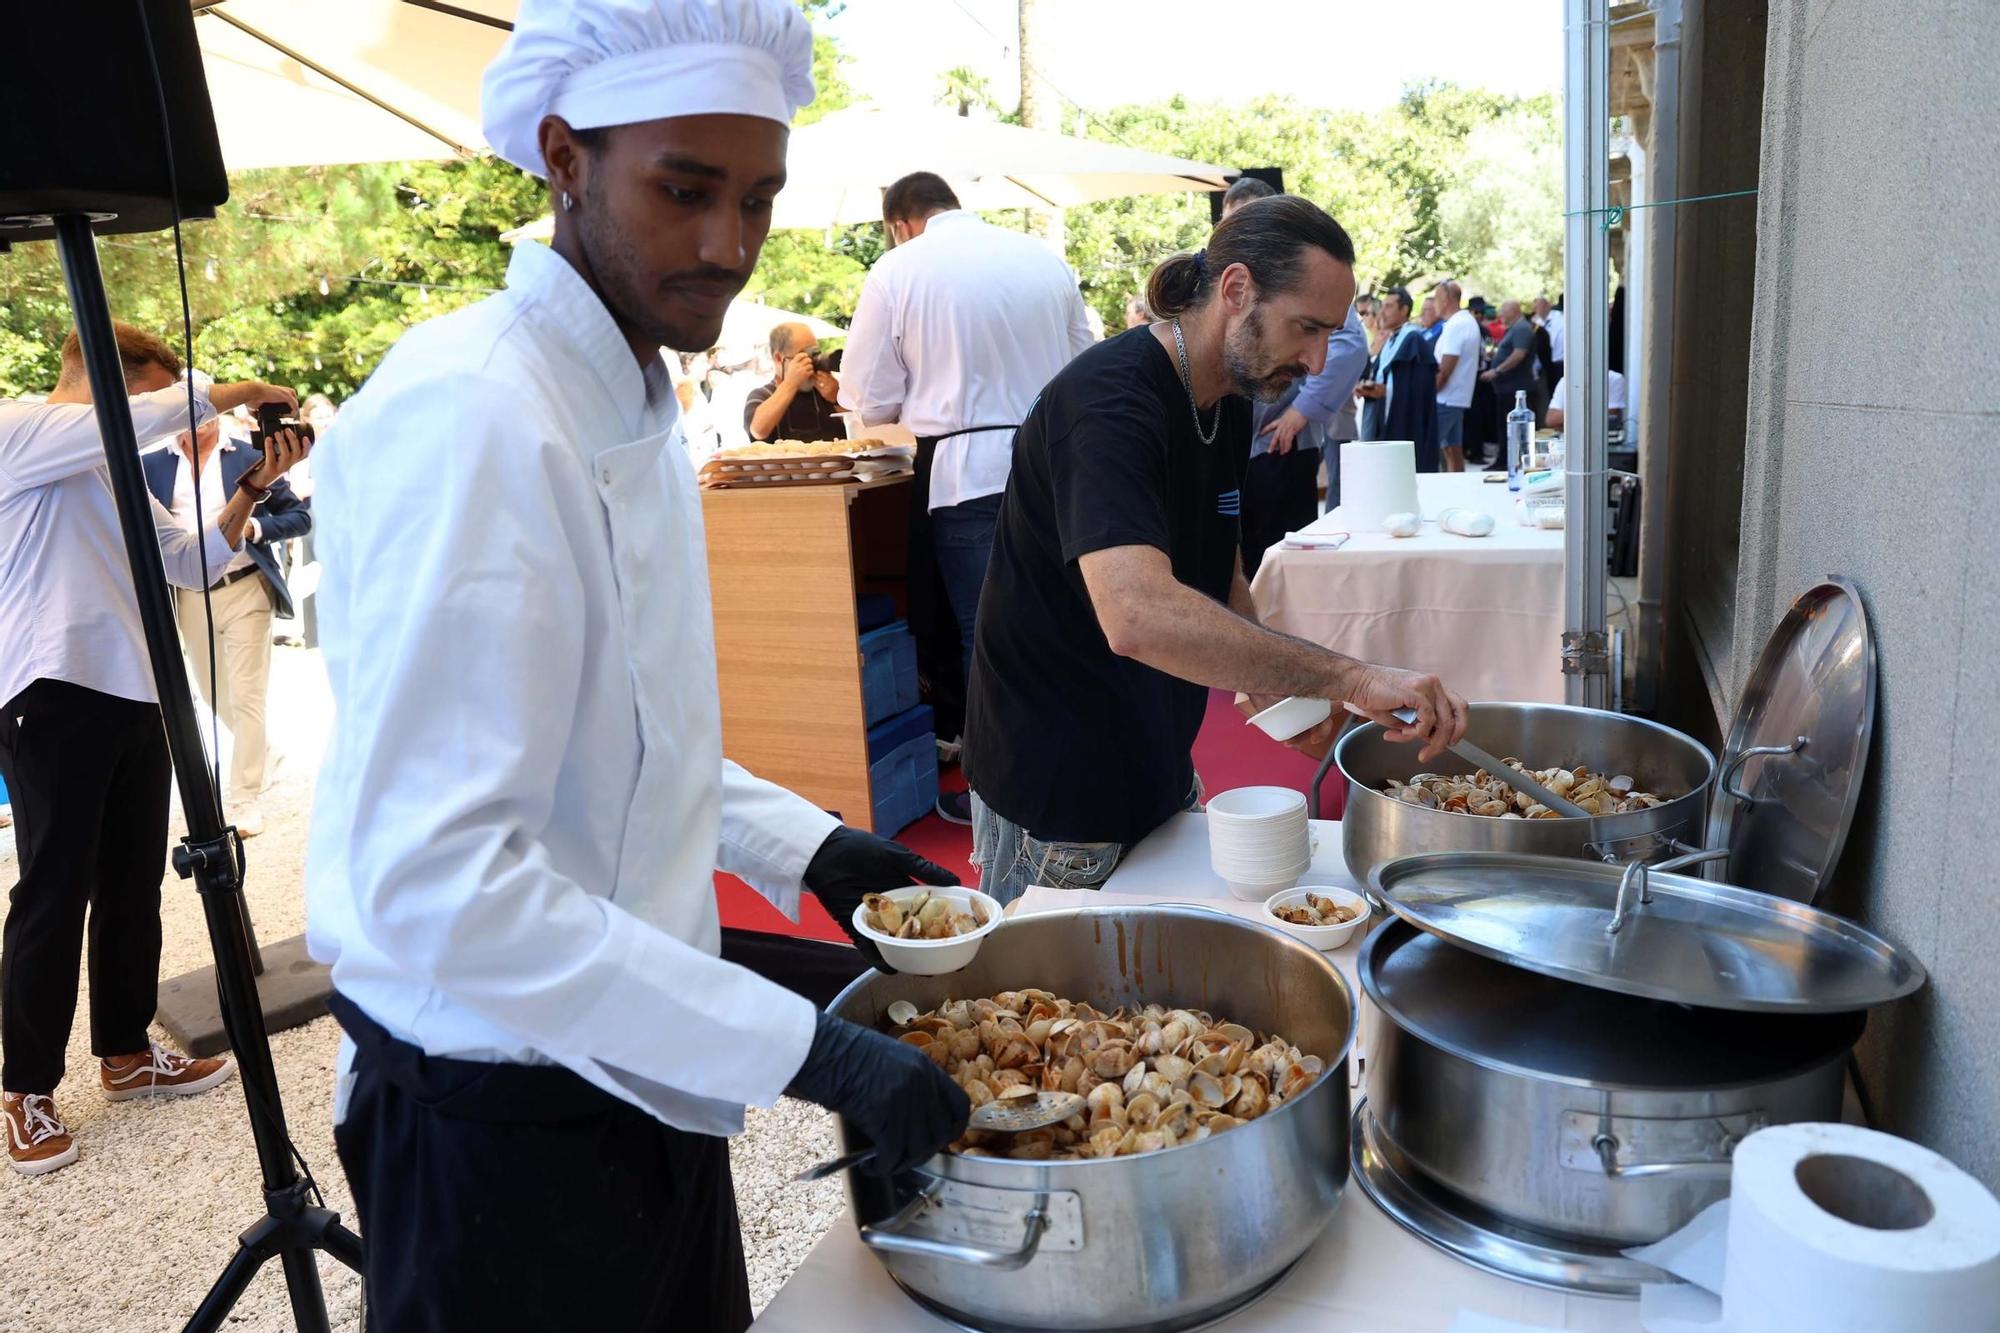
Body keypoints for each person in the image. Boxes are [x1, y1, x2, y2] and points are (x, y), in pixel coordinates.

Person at [305, 5, 969, 1327]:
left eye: (758, 199)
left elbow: (622, 738)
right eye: (684, 190)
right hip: (495, 1108)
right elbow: (442, 886)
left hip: (636, 1051)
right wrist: (808, 1049)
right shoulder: (478, 410)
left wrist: (811, 848)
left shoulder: (626, 385)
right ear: (564, 157)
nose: (728, 243)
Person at [962, 197, 1468, 904]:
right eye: (1306, 328)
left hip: (1155, 765)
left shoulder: (1229, 397)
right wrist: (1350, 679)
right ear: (1236, 290)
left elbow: (1218, 571)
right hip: (1059, 794)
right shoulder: (1107, 403)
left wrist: (1279, 693)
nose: (1317, 361)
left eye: (1330, 335)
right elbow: (1137, 614)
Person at [0, 322, 306, 1175]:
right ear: (108, 375)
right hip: (51, 687)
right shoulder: (20, 426)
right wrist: (240, 392)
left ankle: (127, 1052)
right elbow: (130, 420)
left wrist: (251, 488)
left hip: (136, 688)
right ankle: (26, 1089)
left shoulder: (116, 463)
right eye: (156, 393)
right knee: (53, 890)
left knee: (133, 883)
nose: (171, 414)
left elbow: (190, 560)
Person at [840, 170, 1095, 823]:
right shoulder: (1042, 258)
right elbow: (1087, 367)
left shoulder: (899, 269)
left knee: (988, 636)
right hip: (1060, 467)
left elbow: (867, 398)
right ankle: (1076, 774)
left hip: (968, 471)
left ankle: (1003, 798)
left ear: (900, 223)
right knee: (1067, 623)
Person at [143, 404, 312, 837]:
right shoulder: (152, 463)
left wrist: (255, 529)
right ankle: (264, 750)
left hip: (245, 585)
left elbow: (299, 517)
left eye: (205, 413)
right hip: (190, 594)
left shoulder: (247, 456)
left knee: (248, 693)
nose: (197, 422)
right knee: (212, 691)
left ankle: (244, 797)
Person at [1216, 178, 1369, 576]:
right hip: (1239, 449)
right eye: (1229, 226)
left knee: (1281, 566)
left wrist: (1302, 410)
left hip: (1277, 446)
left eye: (1248, 224)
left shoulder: (1306, 279)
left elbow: (1349, 343)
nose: (1236, 237)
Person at [1358, 287, 1441, 469]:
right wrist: (1368, 388)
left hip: (1406, 423)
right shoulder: (1390, 339)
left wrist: (1386, 391)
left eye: (1389, 306)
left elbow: (1419, 390)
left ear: (1404, 310)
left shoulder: (1414, 340)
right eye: (1383, 306)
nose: (1383, 312)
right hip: (1385, 417)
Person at [744, 321, 843, 442]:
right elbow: (758, 431)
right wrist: (791, 383)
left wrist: (837, 399)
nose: (812, 361)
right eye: (804, 356)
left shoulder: (827, 392)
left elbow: (858, 427)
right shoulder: (762, 395)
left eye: (815, 353)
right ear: (779, 358)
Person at [1431, 280, 1482, 472]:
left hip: (1446, 398)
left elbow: (1445, 369)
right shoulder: (1462, 322)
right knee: (1452, 449)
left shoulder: (1458, 324)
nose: (1434, 303)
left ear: (1446, 300)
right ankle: (1458, 486)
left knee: (1428, 448)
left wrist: (1429, 394)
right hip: (1454, 397)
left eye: (1436, 298)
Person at [1479, 299, 1539, 454]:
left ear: (1513, 311)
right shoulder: (1515, 328)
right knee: (1504, 426)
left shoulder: (1521, 328)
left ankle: (1510, 458)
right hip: (1506, 387)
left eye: (1503, 311)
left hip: (1515, 387)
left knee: (1513, 428)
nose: (1500, 315)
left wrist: (1497, 370)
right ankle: (1504, 458)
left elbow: (1519, 354)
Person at [1544, 366, 1627, 429]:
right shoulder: (1566, 380)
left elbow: (1610, 416)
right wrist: (1591, 411)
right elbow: (1551, 419)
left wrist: (1570, 415)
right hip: (1573, 439)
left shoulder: (1615, 379)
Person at [1535, 295, 1565, 400]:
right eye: (1536, 308)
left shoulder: (1560, 318)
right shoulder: (1538, 322)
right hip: (1547, 364)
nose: (1538, 310)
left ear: (1547, 306)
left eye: (1540, 307)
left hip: (1560, 362)